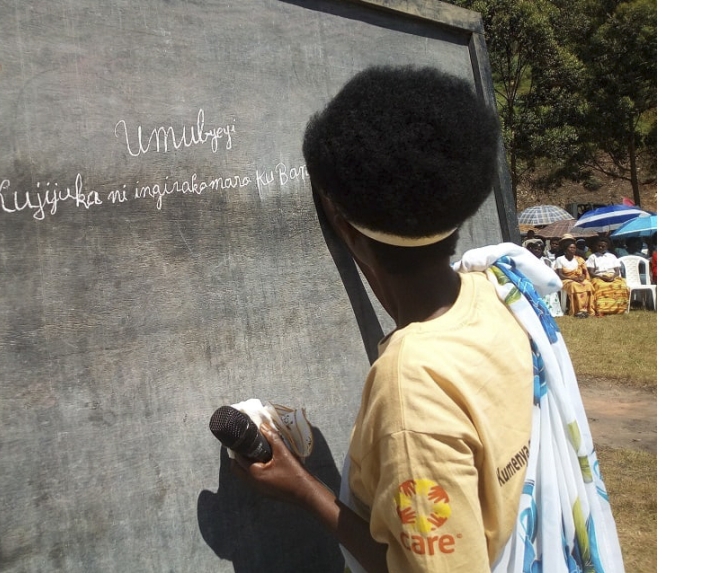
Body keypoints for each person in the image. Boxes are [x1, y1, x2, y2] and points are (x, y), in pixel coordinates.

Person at [230, 66, 623, 573]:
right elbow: (410, 295)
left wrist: (306, 490)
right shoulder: (496, 290)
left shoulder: (411, 388)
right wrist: (353, 230)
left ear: (349, 233)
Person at [553, 235, 595, 318]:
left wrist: (582, 278)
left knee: (588, 284)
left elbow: (584, 272)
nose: (573, 250)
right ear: (565, 250)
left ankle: (586, 310)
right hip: (565, 280)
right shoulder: (560, 259)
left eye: (574, 248)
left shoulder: (579, 259)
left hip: (578, 279)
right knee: (574, 285)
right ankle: (578, 310)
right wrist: (573, 278)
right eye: (571, 248)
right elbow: (560, 274)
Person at [586, 238, 629, 315]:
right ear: (596, 246)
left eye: (603, 246)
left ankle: (619, 309)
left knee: (621, 285)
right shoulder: (592, 257)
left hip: (612, 276)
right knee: (601, 286)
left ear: (607, 247)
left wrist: (612, 277)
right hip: (598, 277)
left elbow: (617, 270)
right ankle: (602, 309)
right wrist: (602, 277)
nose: (601, 248)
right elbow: (591, 272)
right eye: (599, 246)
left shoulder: (612, 256)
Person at [523, 238, 563, 317]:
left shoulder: (546, 261)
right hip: (531, 282)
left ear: (542, 251)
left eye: (539, 249)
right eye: (535, 249)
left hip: (545, 282)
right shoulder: (527, 260)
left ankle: (552, 311)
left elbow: (551, 274)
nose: (537, 250)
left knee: (552, 289)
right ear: (531, 250)